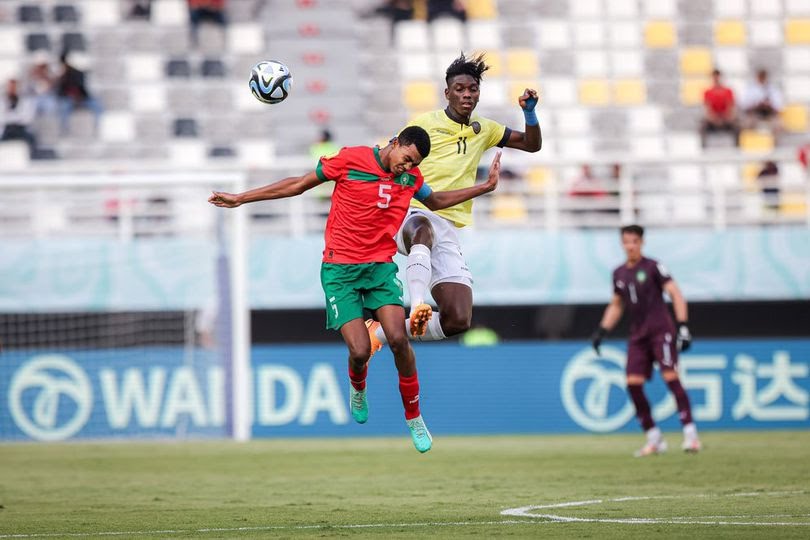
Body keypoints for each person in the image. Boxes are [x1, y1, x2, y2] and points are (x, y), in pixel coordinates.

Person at [208, 126, 503, 453]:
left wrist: (484, 188)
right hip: (339, 272)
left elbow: (435, 201)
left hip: (379, 269)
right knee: (360, 351)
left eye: (414, 163)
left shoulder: (409, 178)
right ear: (395, 143)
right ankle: (358, 386)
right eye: (406, 159)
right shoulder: (351, 159)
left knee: (398, 339)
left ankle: (414, 417)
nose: (407, 167)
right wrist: (241, 198)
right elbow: (298, 184)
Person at [367, 52, 541, 353]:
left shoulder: (485, 129)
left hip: (445, 224)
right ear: (447, 93)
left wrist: (529, 113)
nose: (466, 95)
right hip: (410, 211)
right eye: (459, 89)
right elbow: (390, 155)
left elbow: (531, 144)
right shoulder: (425, 124)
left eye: (472, 89)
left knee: (458, 319)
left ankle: (379, 334)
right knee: (422, 227)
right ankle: (418, 304)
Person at [591, 224, 701, 457]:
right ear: (622, 244)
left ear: (641, 243)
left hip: (661, 331)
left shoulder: (653, 267)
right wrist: (602, 330)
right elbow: (616, 305)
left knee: (671, 377)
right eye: (626, 242)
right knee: (632, 384)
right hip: (638, 335)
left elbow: (675, 293)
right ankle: (654, 438)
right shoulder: (618, 273)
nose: (630, 246)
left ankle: (691, 435)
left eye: (634, 241)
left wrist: (683, 327)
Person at [56, 52, 103, 135]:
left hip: (82, 98)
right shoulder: (61, 76)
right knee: (63, 107)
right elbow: (60, 91)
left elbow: (83, 89)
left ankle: (97, 128)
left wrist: (79, 98)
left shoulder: (78, 73)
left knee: (97, 105)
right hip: (68, 99)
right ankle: (65, 130)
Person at [700, 69, 739, 147]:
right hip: (713, 119)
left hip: (726, 118)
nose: (716, 79)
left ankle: (737, 147)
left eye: (718, 77)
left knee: (737, 126)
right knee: (702, 127)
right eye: (714, 77)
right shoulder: (707, 92)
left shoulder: (728, 91)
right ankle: (703, 148)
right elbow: (707, 108)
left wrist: (726, 117)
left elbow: (730, 106)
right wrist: (714, 118)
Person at [0, 78, 38, 156]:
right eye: (10, 87)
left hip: (21, 129)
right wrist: (16, 116)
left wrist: (10, 115)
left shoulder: (26, 101)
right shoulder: (3, 101)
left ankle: (33, 158)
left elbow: (27, 118)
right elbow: (2, 118)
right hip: (7, 129)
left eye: (14, 87)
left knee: (32, 139)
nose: (12, 89)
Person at [740, 69, 783, 133]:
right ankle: (750, 142)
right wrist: (757, 104)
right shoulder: (750, 89)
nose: (762, 78)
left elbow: (778, 106)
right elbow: (744, 105)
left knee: (778, 125)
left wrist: (769, 105)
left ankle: (774, 142)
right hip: (754, 114)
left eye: (764, 76)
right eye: (760, 76)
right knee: (746, 124)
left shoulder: (773, 90)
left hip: (770, 114)